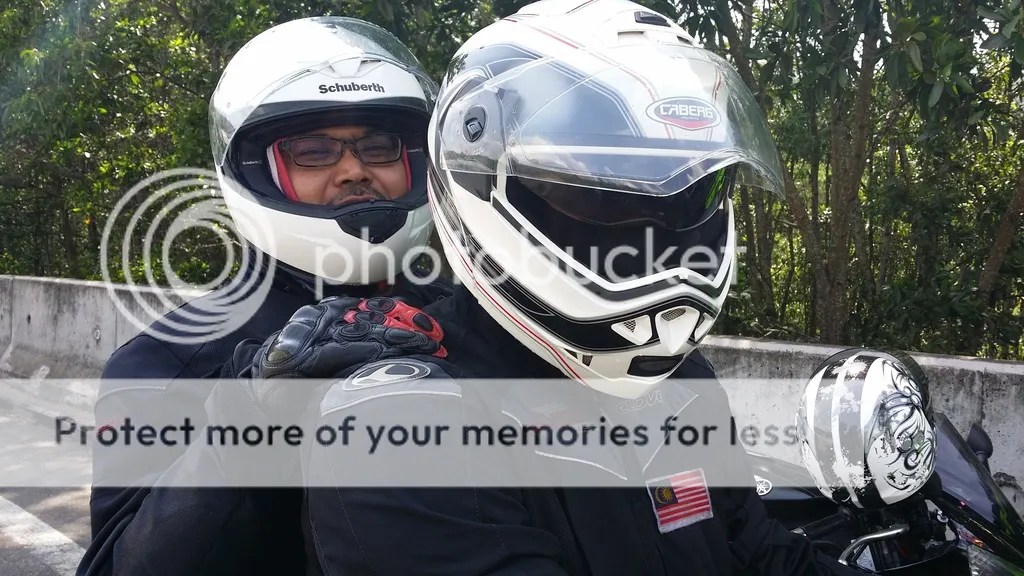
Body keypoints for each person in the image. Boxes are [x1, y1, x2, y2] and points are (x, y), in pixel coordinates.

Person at [235, 1, 874, 573]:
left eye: (687, 199)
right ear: (484, 186)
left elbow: (760, 552)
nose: (652, 236)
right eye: (600, 198)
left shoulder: (680, 384)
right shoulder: (400, 425)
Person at [77, 16, 446, 576]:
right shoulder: (168, 361)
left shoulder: (472, 316)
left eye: (379, 146)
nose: (354, 170)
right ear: (258, 173)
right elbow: (117, 567)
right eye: (313, 151)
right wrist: (248, 419)